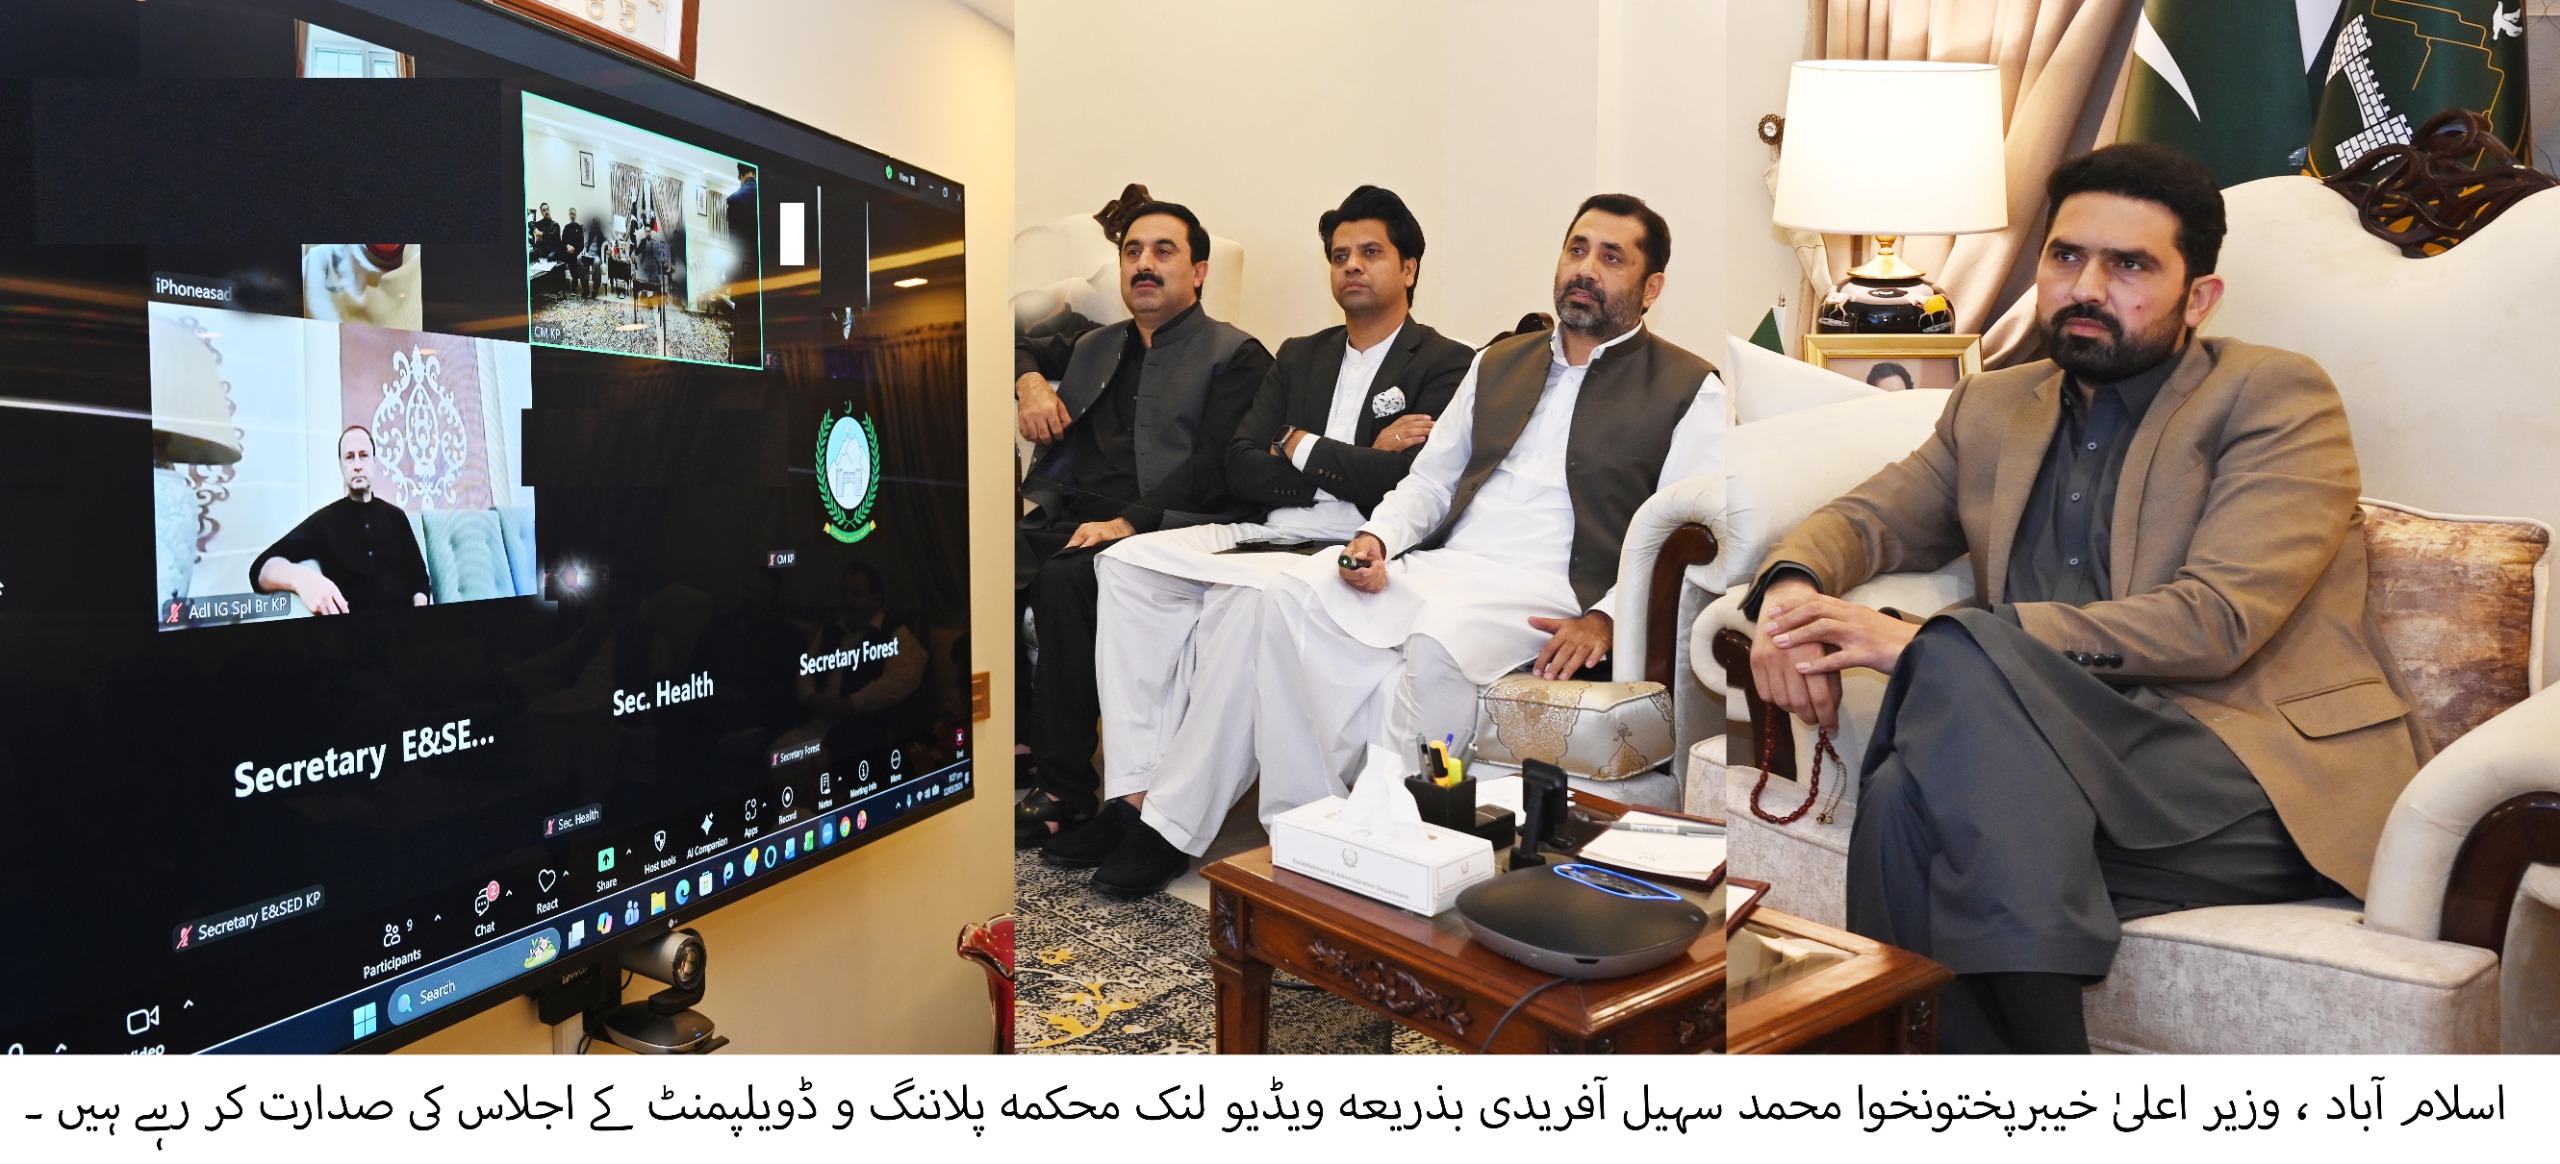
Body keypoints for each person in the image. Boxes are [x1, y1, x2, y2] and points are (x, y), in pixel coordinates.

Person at [1740, 143, 2427, 1053]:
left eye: (2130, 265)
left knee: (1943, 711)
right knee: (1914, 792)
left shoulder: (2273, 396)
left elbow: (2216, 621)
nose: (2087, 287)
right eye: (2066, 256)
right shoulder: (1994, 406)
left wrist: (1944, 643)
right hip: (2040, 764)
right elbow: (1867, 519)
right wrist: (1789, 593)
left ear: (2200, 298)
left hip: (2238, 764)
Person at [1040, 186, 1473, 896]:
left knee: (1244, 606)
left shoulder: (1448, 363)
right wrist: (1355, 457)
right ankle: (1134, 793)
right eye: (1339, 255)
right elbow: (1241, 461)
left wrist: (1297, 444)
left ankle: (1169, 828)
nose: (1351, 266)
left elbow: (1411, 482)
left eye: (1370, 253)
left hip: (1356, 545)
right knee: (1123, 565)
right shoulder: (1300, 355)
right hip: (1269, 529)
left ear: (1409, 268)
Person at [1253, 194, 1727, 831]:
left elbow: (1686, 531)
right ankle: (1298, 824)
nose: (1585, 269)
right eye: (1577, 249)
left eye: (1612, 258)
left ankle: (1406, 837)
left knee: (1439, 638)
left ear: (1652, 288)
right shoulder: (1498, 362)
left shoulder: (1689, 388)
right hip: (1450, 564)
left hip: (1552, 583)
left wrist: (1607, 617)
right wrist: (1378, 537)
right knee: (1290, 598)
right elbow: (1432, 481)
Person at [1013, 201, 1274, 846]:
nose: (1144, 265)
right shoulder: (1095, 343)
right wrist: (1030, 384)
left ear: (1200, 271)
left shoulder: (1237, 354)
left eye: (1163, 251)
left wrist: (1127, 522)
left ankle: (1066, 789)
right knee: (977, 560)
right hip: (1072, 513)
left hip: (1170, 527)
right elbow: (1008, 331)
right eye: (1132, 252)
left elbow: (1220, 466)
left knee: (1065, 580)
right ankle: (1014, 747)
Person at [250, 425, 431, 615]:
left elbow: (419, 579)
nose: (357, 465)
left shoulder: (396, 516)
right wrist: (300, 578)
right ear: (341, 465)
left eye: (363, 455)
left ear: (374, 462)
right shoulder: (324, 522)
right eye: (349, 457)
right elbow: (260, 569)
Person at [801, 562, 931, 760]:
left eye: (857, 594)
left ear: (877, 599)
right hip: (816, 725)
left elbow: (898, 681)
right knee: (776, 754)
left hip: (867, 733)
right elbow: (805, 671)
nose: (849, 601)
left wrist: (850, 703)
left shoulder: (896, 633)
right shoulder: (828, 631)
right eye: (845, 594)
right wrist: (811, 697)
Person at [560, 209, 592, 298]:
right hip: (566, 251)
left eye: (574, 214)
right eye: (571, 214)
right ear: (569, 215)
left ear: (575, 215)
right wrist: (567, 246)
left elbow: (581, 244)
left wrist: (573, 248)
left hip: (575, 252)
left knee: (574, 260)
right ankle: (561, 287)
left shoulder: (579, 228)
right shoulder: (566, 227)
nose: (572, 215)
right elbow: (563, 241)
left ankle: (574, 287)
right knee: (559, 261)